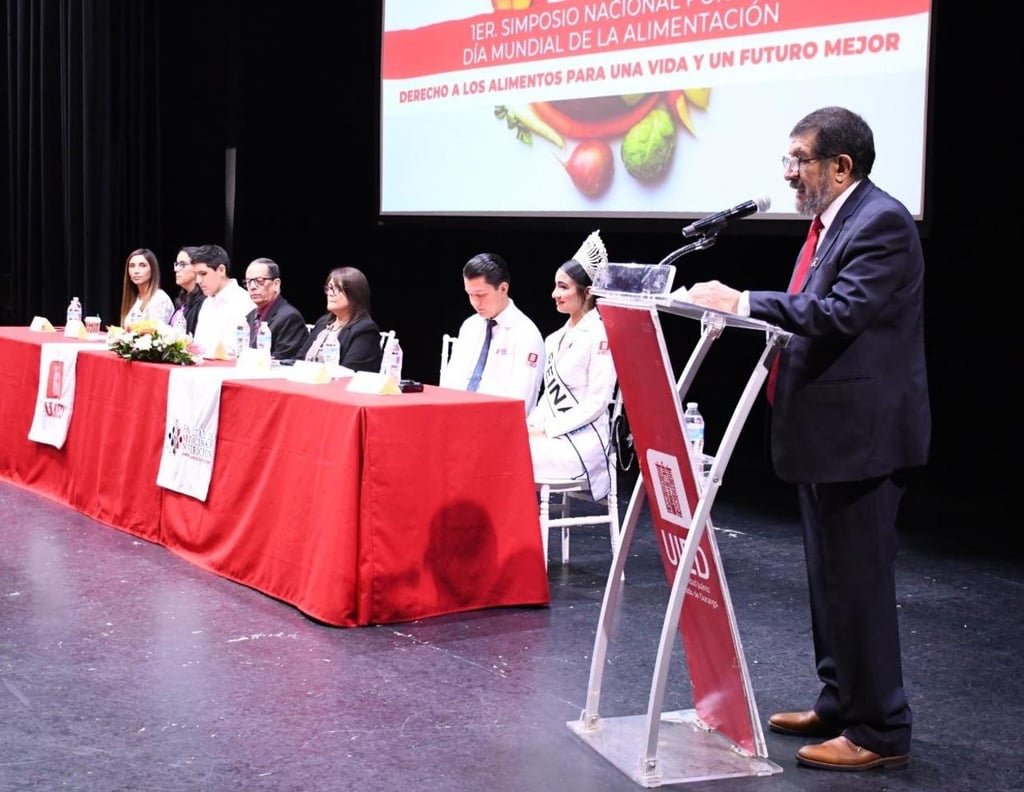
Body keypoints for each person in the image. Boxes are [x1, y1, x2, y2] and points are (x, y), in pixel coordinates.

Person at [686, 106, 930, 772]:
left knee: (860, 587)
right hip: (828, 437)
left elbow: (841, 313)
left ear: (840, 166)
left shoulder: (881, 223)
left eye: (800, 160)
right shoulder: (830, 225)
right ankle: (840, 700)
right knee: (829, 582)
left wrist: (742, 304)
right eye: (788, 160)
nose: (790, 174)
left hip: (865, 439)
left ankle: (880, 729)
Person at [527, 254, 617, 500]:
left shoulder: (601, 334)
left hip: (584, 443)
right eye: (556, 286)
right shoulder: (553, 339)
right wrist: (530, 426)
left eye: (563, 287)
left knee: (508, 454)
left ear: (587, 292)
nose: (555, 294)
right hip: (552, 438)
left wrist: (547, 429)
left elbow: (597, 403)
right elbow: (548, 397)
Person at [439, 252, 544, 413]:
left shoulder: (526, 333)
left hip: (498, 424)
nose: (475, 302)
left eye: (481, 295)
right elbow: (451, 381)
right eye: (470, 295)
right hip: (457, 417)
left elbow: (522, 400)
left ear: (503, 288)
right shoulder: (469, 326)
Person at [296, 267, 382, 372]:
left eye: (336, 289)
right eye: (329, 288)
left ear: (354, 295)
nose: (330, 294)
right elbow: (299, 359)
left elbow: (350, 371)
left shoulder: (365, 330)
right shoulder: (323, 322)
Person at [190, 244, 257, 358]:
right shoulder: (207, 302)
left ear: (221, 270)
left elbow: (233, 351)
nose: (198, 280)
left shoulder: (243, 301)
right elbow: (198, 346)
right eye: (196, 275)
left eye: (203, 273)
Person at [243, 257, 309, 360]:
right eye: (248, 282)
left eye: (259, 281)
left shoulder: (289, 317)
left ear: (276, 284)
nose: (252, 287)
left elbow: (283, 361)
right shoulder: (250, 316)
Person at [118, 248, 174, 327]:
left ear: (152, 270)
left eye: (142, 265)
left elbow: (156, 336)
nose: (136, 271)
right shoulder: (135, 298)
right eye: (132, 266)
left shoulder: (159, 298)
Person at [169, 245, 206, 336]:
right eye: (177, 264)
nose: (176, 269)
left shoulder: (204, 302)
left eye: (182, 264)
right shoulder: (183, 299)